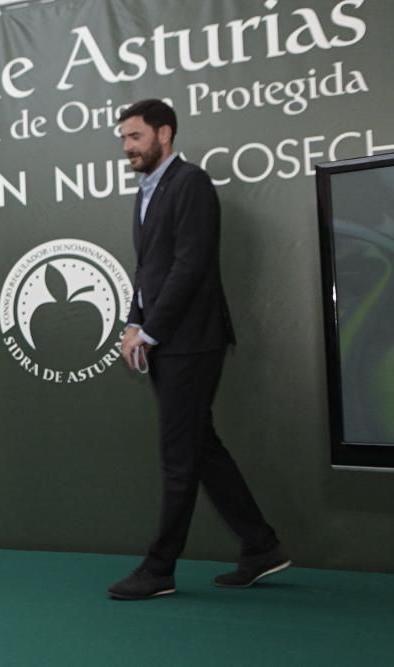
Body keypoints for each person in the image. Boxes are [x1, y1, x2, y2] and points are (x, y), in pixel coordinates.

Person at [108, 99, 289, 600]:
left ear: (164, 134)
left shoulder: (190, 183)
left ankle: (160, 568)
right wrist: (132, 321)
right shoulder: (148, 191)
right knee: (200, 447)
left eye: (135, 137)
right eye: (123, 138)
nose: (127, 147)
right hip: (171, 339)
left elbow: (190, 267)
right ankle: (261, 546)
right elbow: (150, 271)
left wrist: (149, 331)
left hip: (192, 342)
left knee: (178, 456)